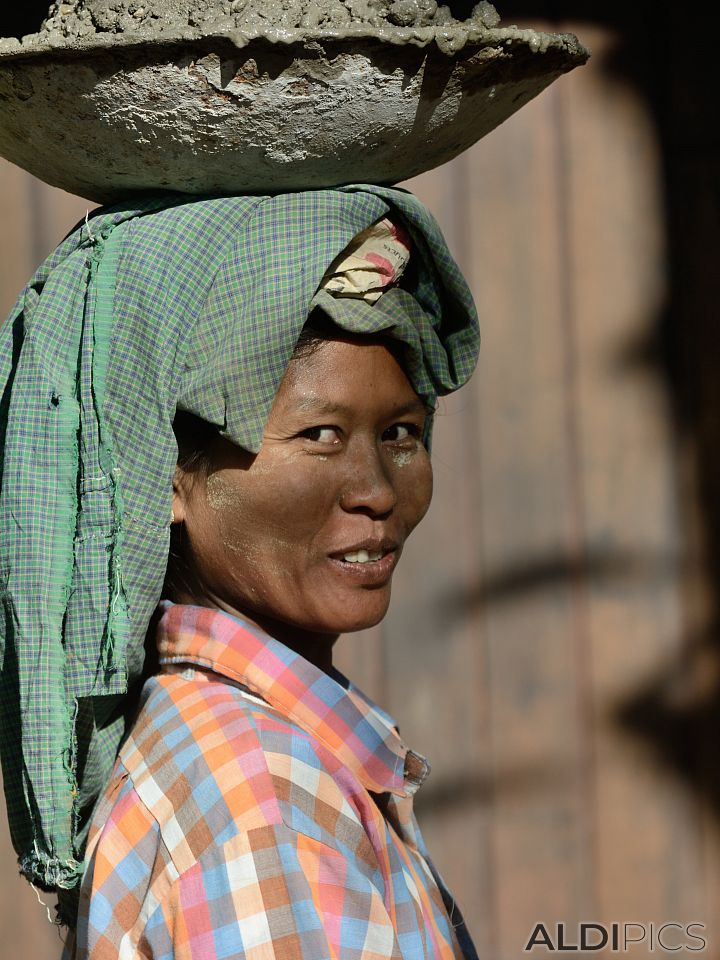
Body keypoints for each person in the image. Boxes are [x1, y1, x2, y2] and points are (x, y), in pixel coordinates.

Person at [0, 185, 480, 957]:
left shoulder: (235, 752)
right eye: (320, 434)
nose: (377, 491)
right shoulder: (263, 802)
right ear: (167, 477)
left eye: (401, 433)